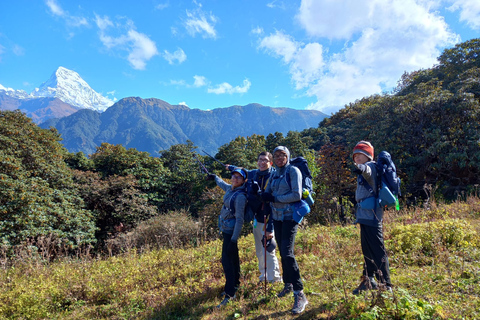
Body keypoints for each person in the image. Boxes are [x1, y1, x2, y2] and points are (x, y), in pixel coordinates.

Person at [261, 146, 308, 315]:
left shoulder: (293, 171)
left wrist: (274, 198)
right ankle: (288, 284)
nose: (280, 158)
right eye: (277, 155)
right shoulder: (274, 174)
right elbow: (267, 192)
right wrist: (262, 195)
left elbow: (296, 195)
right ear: (274, 159)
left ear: (288, 156)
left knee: (287, 253)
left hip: (290, 217)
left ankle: (299, 292)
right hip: (277, 217)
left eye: (283, 155)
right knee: (282, 251)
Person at [227, 152, 282, 284]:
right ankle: (264, 276)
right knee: (259, 250)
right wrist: (230, 167)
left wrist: (270, 227)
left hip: (269, 218)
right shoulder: (254, 174)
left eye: (265, 160)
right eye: (260, 160)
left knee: (269, 250)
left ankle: (274, 278)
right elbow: (243, 171)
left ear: (271, 163)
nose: (262, 162)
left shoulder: (274, 176)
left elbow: (274, 205)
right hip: (257, 219)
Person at [352, 141, 392, 294]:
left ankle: (386, 284)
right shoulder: (366, 168)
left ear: (368, 156)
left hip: (373, 216)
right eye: (355, 156)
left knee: (377, 250)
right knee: (367, 249)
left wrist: (361, 167)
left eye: (360, 155)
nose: (357, 158)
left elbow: (366, 171)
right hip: (364, 216)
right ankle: (369, 280)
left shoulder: (371, 167)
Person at [206, 168, 248, 308]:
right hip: (226, 230)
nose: (235, 179)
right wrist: (215, 177)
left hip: (231, 232)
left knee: (227, 261)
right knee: (233, 258)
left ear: (244, 180)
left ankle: (230, 293)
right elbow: (222, 184)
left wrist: (234, 240)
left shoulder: (240, 196)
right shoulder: (231, 189)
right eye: (234, 176)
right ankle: (235, 284)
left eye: (239, 177)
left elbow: (240, 219)